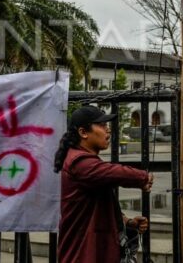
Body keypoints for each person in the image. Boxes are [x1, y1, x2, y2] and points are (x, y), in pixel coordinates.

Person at [55, 105, 153, 263]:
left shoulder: (82, 160)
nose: (108, 130)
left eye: (107, 125)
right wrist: (142, 177)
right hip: (81, 255)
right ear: (83, 132)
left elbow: (96, 205)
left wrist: (127, 222)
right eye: (101, 125)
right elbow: (114, 172)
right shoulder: (78, 162)